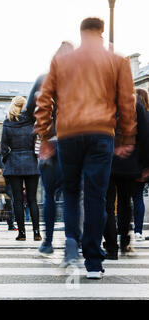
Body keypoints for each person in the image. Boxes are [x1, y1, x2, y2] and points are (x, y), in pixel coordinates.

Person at [35, 17, 137, 279]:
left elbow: (43, 100)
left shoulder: (62, 61)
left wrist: (46, 137)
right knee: (95, 196)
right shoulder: (117, 61)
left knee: (70, 191)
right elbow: (127, 102)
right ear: (101, 33)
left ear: (81, 33)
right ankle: (93, 260)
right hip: (101, 133)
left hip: (69, 133)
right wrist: (126, 138)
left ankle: (71, 242)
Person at [29, 41, 75, 255]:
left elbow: (30, 109)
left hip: (49, 143)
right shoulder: (79, 80)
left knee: (49, 196)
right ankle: (73, 240)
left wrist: (44, 133)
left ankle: (47, 241)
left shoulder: (43, 78)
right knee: (71, 194)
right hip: (73, 142)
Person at [103, 89, 149, 259]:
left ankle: (111, 247)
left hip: (106, 161)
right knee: (125, 203)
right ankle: (124, 241)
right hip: (129, 161)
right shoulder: (135, 105)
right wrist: (146, 164)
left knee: (107, 205)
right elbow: (145, 135)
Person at [1, 96, 41, 241]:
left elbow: (3, 147)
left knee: (17, 200)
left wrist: (7, 159)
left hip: (14, 163)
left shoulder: (7, 122)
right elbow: (37, 140)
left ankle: (22, 233)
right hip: (31, 161)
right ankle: (36, 233)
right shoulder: (32, 121)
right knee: (32, 200)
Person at [133, 88, 149, 241]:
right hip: (144, 163)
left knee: (135, 197)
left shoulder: (135, 117)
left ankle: (135, 231)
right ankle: (138, 231)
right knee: (138, 197)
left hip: (137, 164)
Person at [0, 142, 17, 231]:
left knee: (10, 204)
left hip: (8, 184)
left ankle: (11, 225)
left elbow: (15, 169)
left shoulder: (11, 156)